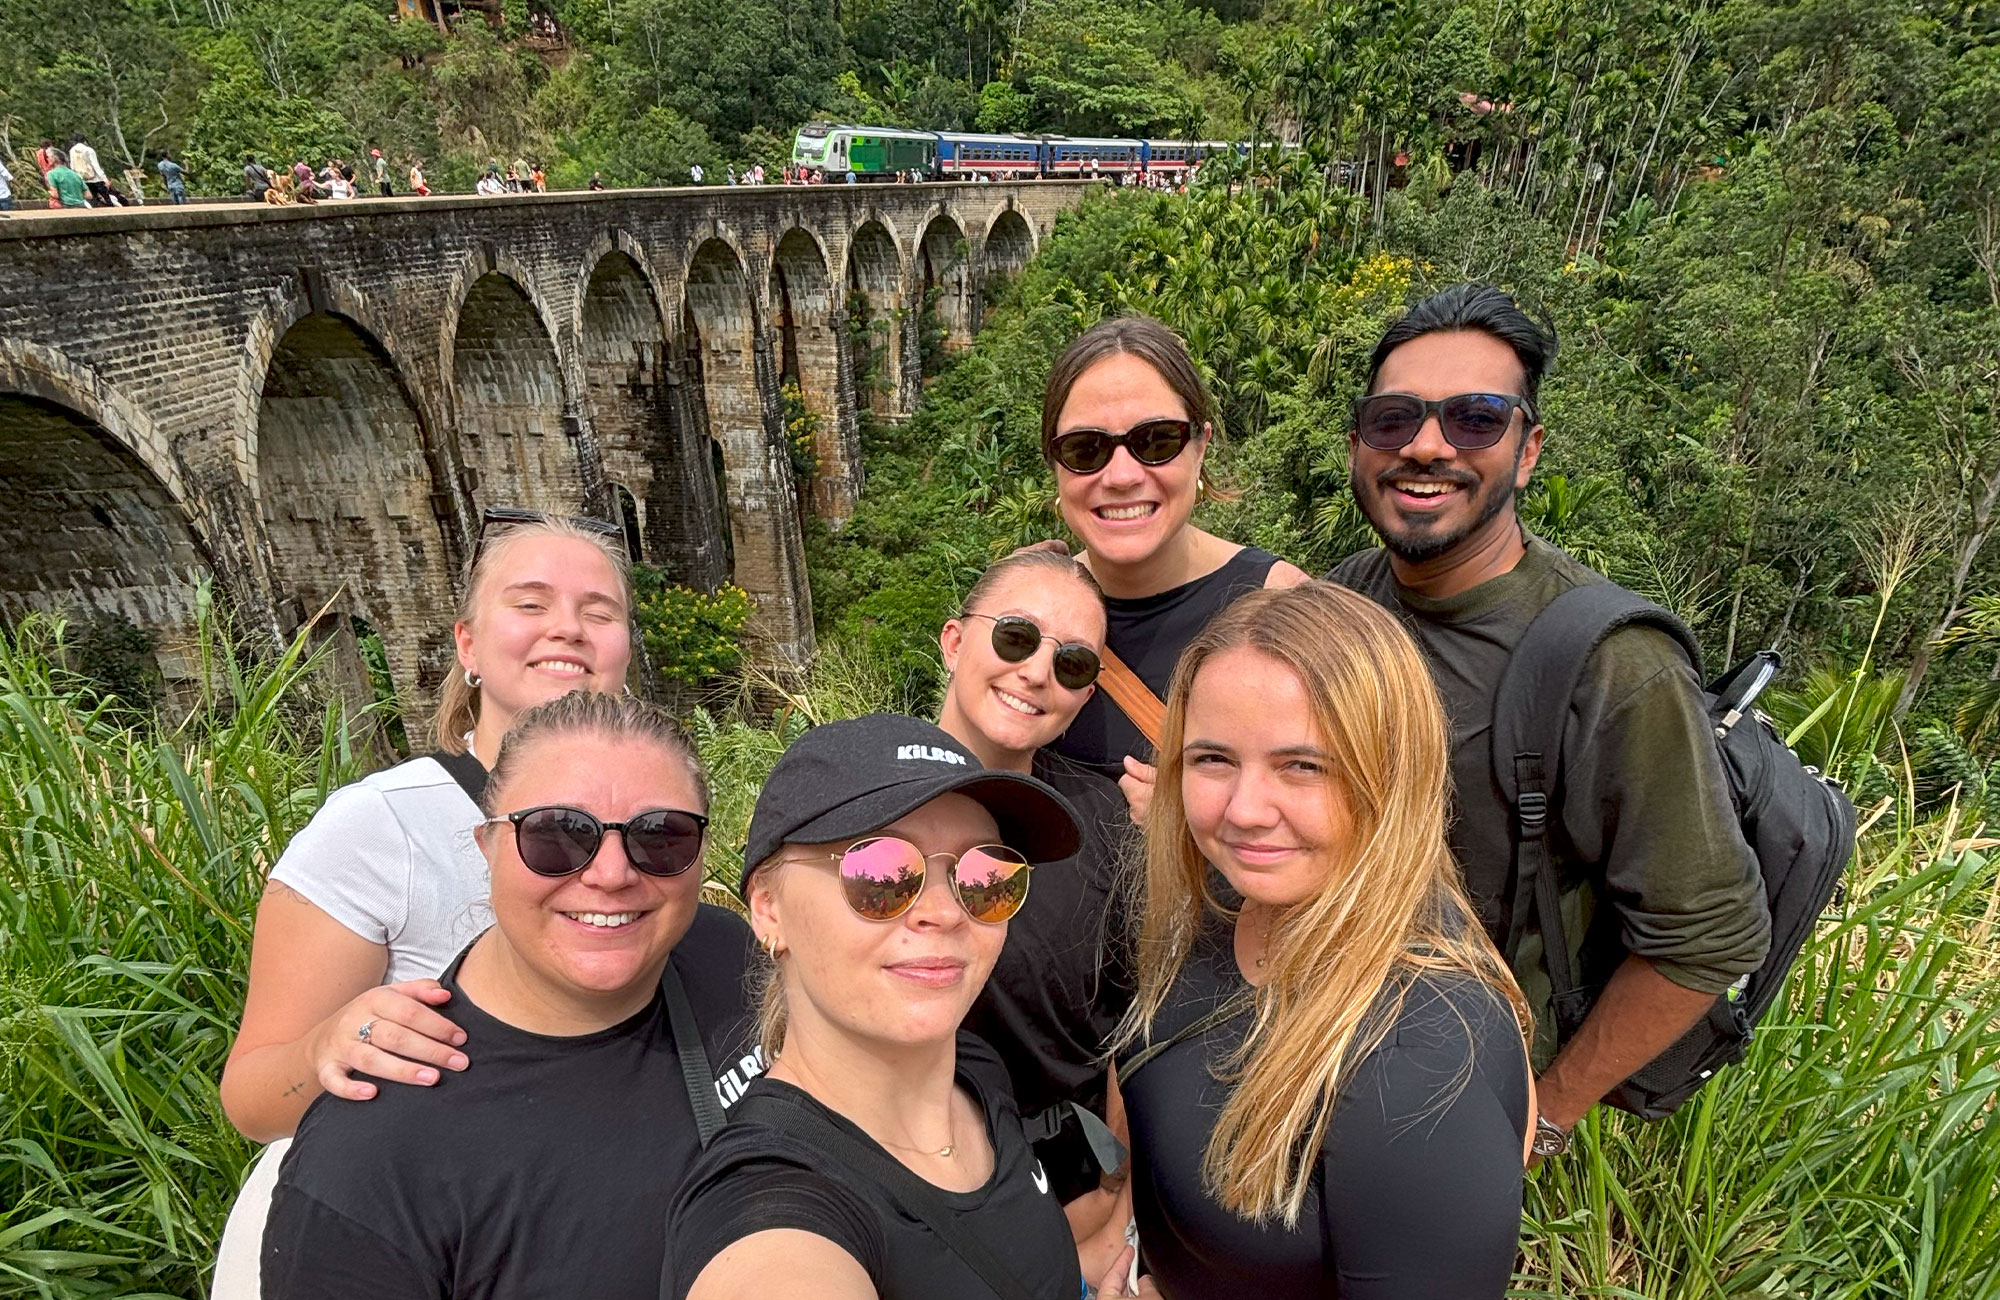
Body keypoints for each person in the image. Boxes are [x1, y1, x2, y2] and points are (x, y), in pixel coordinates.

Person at [1327, 283, 1772, 1158]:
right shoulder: (1350, 596)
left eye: (1475, 420)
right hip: (1320, 1044)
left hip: (1458, 1092)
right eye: (1394, 420)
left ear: (1528, 451)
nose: (1426, 445)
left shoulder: (1610, 662)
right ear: (1357, 445)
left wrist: (1545, 1111)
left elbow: (1710, 933)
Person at [210, 515, 635, 1294]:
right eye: (531, 604)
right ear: (468, 645)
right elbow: (251, 1097)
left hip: (571, 1219)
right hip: (396, 1238)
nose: (568, 629)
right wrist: (324, 1048)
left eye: (599, 612)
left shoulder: (648, 814)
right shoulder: (381, 823)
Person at [1109, 582, 1535, 1297]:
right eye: (1213, 759)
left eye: (1303, 766)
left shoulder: (1417, 1067)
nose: (1244, 811)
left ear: (1390, 775)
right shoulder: (1226, 904)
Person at [263, 690, 759, 1298]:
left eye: (662, 837)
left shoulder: (724, 952)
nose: (611, 874)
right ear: (487, 845)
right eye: (557, 835)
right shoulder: (371, 1158)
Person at [669, 715, 1086, 1300]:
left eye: (985, 875)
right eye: (880, 874)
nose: (944, 912)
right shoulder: (776, 1204)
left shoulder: (976, 1073)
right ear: (768, 908)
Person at [933, 552, 1137, 1242]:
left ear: (1085, 694)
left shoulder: (1100, 820)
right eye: (1015, 637)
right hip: (934, 1212)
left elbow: (1127, 1032)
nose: (1036, 672)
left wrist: (1118, 1219)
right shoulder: (868, 806)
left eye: (1073, 663)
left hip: (1082, 1201)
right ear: (955, 642)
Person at [1037, 315, 1309, 798]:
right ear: (1055, 466)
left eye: (1155, 442)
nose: (1121, 476)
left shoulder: (1285, 610)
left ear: (1200, 447)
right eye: (1085, 449)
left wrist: (1198, 829)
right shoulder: (1030, 611)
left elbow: (1347, 822)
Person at [69, 134, 112, 206]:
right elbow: (95, 165)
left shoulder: (72, 150)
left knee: (92, 200)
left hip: (82, 178)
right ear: (85, 141)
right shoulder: (89, 150)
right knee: (106, 198)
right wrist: (104, 178)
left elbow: (72, 166)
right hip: (95, 178)